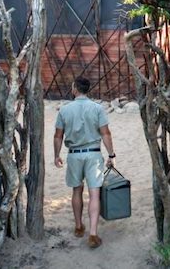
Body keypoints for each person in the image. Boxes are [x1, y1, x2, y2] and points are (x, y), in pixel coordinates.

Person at [52, 76, 116, 249]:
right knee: (94, 193)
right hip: (94, 154)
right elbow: (106, 134)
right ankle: (93, 234)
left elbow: (58, 136)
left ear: (74, 89)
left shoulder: (64, 110)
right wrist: (111, 155)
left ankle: (79, 226)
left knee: (76, 190)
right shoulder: (97, 108)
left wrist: (56, 155)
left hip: (74, 155)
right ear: (88, 90)